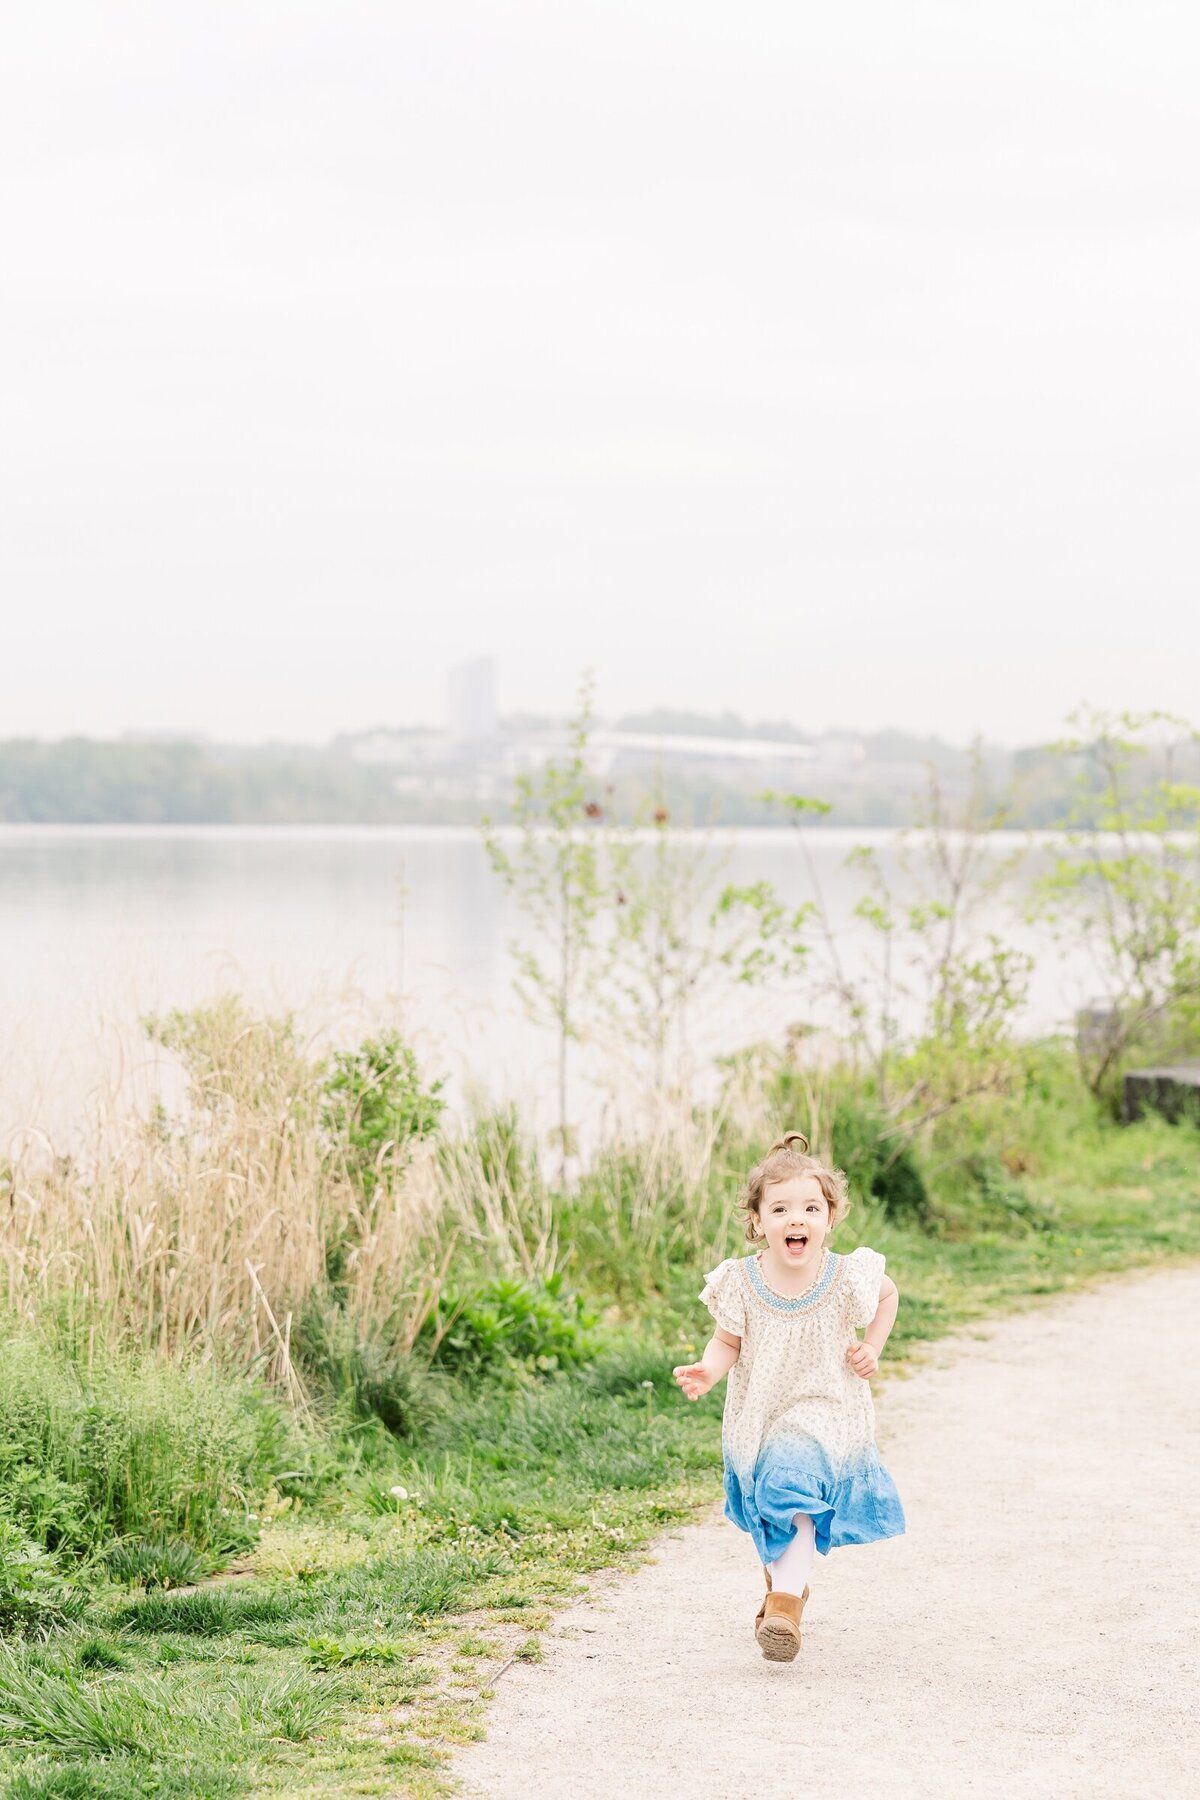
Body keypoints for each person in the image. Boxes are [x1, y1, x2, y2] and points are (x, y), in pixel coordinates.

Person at [672, 1131, 905, 1662]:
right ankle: (788, 1586)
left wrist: (873, 1345)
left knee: (791, 1482)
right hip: (760, 1414)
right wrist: (709, 1371)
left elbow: (888, 1295)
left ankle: (782, 1608)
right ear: (757, 1222)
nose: (795, 1219)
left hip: (826, 1410)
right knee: (774, 1503)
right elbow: (727, 1340)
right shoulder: (742, 1281)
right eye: (779, 1208)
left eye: (810, 1208)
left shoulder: (847, 1275)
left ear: (829, 1217)